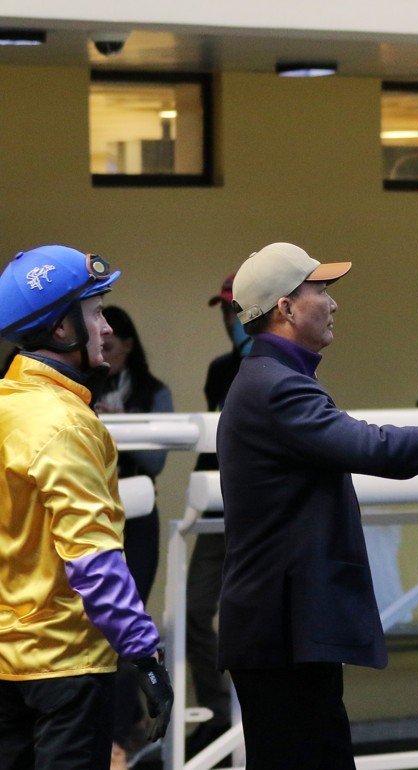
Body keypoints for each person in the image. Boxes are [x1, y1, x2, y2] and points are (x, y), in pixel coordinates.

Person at [217, 242, 418, 770]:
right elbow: (380, 450)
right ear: (286, 308)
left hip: (283, 631)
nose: (333, 302)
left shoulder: (272, 380)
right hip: (283, 634)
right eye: (320, 289)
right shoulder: (276, 388)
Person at [0, 245, 173, 769]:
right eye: (95, 312)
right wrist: (144, 654)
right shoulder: (66, 424)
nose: (107, 329)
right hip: (66, 672)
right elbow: (93, 560)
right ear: (61, 328)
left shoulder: (8, 405)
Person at [93, 305, 175, 765]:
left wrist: (119, 424)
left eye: (110, 343)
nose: (102, 348)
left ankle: (123, 739)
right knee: (95, 628)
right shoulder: (81, 387)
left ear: (127, 344)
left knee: (127, 623)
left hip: (138, 517)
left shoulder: (152, 391)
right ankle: (111, 733)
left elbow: (160, 460)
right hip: (97, 514)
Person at [184, 274, 247, 756]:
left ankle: (249, 724)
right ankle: (218, 712)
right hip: (215, 503)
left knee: (254, 616)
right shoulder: (218, 370)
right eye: (225, 312)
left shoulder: (289, 368)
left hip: (258, 510)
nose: (230, 320)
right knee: (193, 611)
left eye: (236, 310)